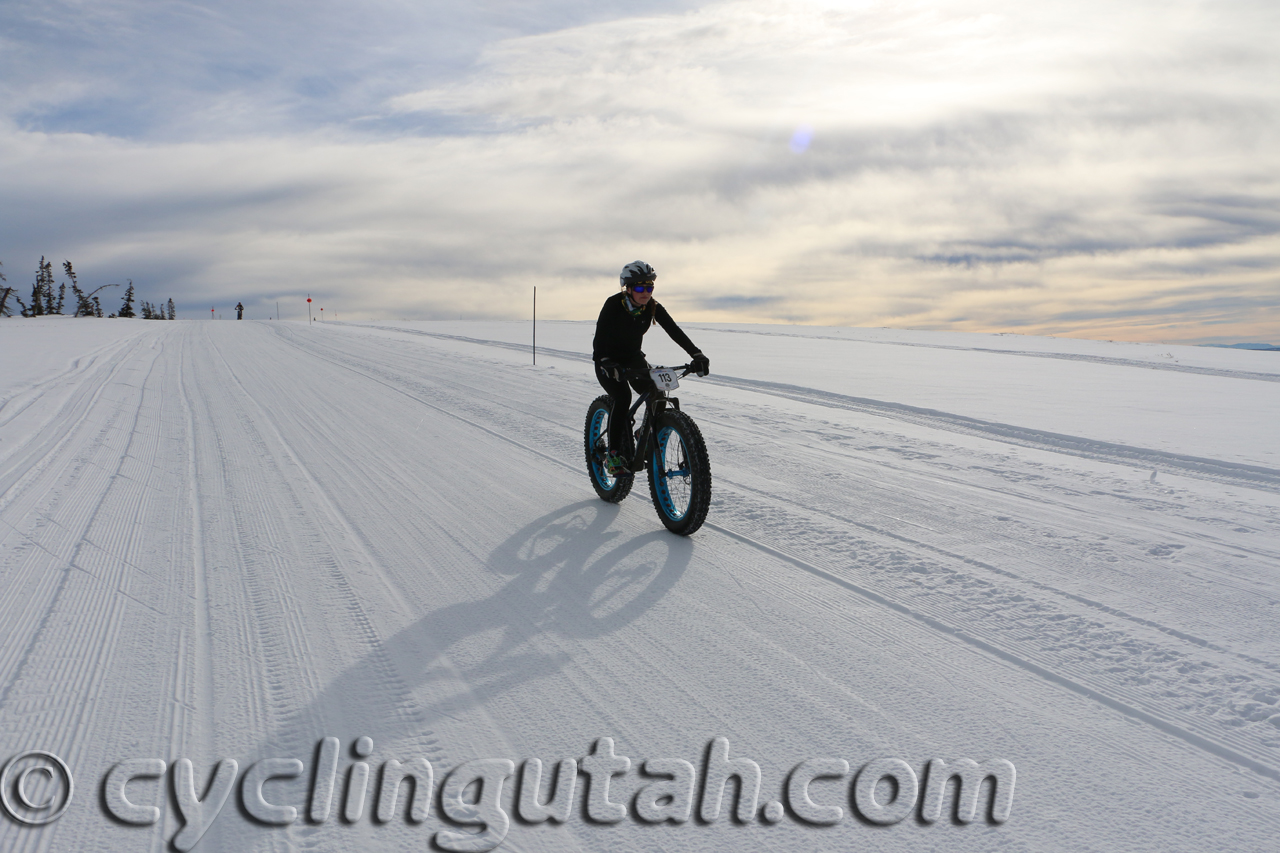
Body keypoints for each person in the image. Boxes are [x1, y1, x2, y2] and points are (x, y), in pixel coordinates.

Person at [593, 261, 710, 474]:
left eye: (649, 287)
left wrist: (696, 354)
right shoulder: (613, 305)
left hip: (633, 358)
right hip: (608, 361)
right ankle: (613, 455)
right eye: (639, 287)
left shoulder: (652, 307)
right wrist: (606, 363)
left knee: (657, 391)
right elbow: (599, 340)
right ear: (627, 288)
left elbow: (674, 330)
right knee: (622, 398)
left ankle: (643, 433)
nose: (645, 292)